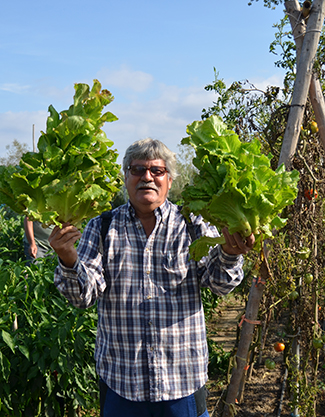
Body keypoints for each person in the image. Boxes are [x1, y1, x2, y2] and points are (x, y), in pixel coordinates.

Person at [49, 138, 255, 417]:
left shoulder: (192, 224)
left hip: (181, 383)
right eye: (137, 170)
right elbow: (83, 296)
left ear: (169, 181)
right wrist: (68, 258)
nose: (147, 177)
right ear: (126, 178)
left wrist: (230, 253)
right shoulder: (102, 226)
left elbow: (219, 285)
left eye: (156, 171)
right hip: (122, 383)